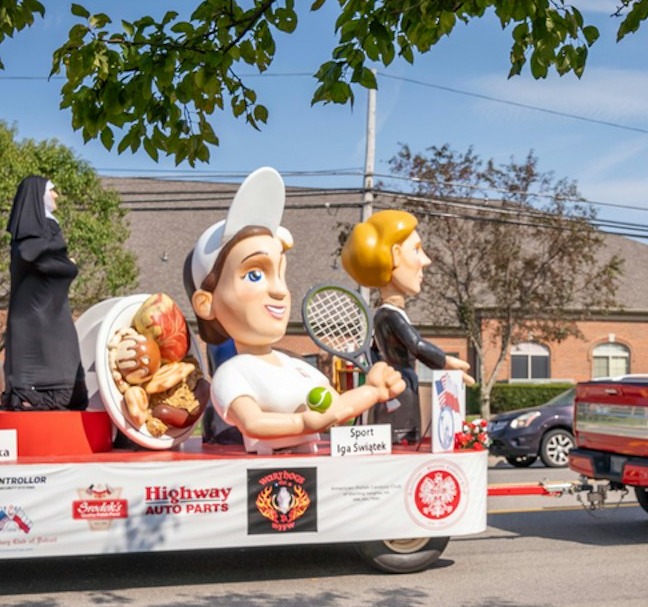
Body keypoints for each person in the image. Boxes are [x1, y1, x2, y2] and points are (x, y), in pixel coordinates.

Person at [189, 168, 404, 453]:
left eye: (281, 274)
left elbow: (336, 408)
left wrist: (374, 391)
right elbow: (253, 424)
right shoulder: (231, 374)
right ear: (207, 303)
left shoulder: (300, 368)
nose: (280, 291)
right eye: (254, 275)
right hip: (258, 481)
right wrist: (305, 423)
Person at [339, 209, 472, 444]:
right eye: (417, 249)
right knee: (401, 441)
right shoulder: (389, 315)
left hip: (402, 387)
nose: (426, 260)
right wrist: (445, 362)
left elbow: (374, 351)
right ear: (396, 255)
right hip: (399, 389)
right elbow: (416, 344)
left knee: (406, 437)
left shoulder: (387, 314)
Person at [3, 176, 87, 411]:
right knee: (42, 348)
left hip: (51, 308)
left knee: (64, 349)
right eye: (52, 190)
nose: (56, 195)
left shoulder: (46, 226)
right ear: (39, 196)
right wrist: (69, 266)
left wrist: (65, 264)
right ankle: (35, 394)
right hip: (35, 311)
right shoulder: (32, 232)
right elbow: (40, 260)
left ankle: (63, 391)